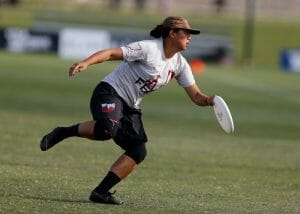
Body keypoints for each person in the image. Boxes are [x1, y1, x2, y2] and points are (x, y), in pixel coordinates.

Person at [40, 16, 215, 205]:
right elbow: (111, 53)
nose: (190, 38)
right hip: (110, 92)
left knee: (138, 151)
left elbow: (197, 96)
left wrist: (212, 101)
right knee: (108, 128)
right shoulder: (149, 49)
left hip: (130, 106)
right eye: (186, 33)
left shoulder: (180, 64)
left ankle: (100, 192)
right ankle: (64, 132)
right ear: (172, 33)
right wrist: (86, 63)